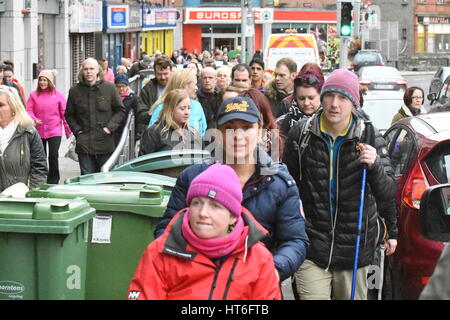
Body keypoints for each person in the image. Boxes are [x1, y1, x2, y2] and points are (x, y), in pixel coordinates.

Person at [153, 96, 310, 282]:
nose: (238, 136)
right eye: (229, 129)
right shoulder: (193, 177)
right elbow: (167, 229)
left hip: (255, 286)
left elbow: (295, 240)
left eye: (246, 127)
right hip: (196, 283)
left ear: (260, 131)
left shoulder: (280, 183)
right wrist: (186, 265)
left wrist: (272, 270)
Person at [283, 68, 397, 300]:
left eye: (343, 98)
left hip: (354, 251)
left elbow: (387, 194)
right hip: (312, 248)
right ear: (322, 97)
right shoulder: (301, 135)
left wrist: (374, 166)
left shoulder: (370, 138)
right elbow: (288, 185)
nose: (335, 104)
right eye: (329, 96)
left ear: (354, 103)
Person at [128, 163, 281, 300]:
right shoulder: (159, 252)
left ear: (233, 216)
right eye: (197, 203)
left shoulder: (259, 259)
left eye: (215, 205)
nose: (203, 213)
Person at [65, 58, 126, 175]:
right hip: (84, 145)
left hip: (105, 143)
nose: (89, 72)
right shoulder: (75, 91)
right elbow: (69, 114)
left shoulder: (109, 88)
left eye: (92, 69)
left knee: (105, 178)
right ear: (82, 71)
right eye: (86, 69)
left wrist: (109, 128)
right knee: (86, 179)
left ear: (98, 70)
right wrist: (77, 131)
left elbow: (120, 110)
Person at [26, 69, 72, 184]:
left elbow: (64, 113)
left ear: (50, 81)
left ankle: (53, 180)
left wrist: (68, 131)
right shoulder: (33, 95)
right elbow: (29, 110)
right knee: (40, 157)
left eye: (45, 80)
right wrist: (34, 119)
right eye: (41, 80)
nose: (42, 82)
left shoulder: (58, 95)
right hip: (38, 131)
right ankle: (41, 178)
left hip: (54, 131)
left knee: (53, 155)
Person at [0, 85, 47, 192]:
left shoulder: (28, 133)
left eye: (1, 105)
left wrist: (32, 196)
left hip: (18, 201)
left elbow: (39, 169)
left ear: (14, 108)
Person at [139, 89, 202, 156]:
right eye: (182, 109)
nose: (187, 112)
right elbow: (143, 163)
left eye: (189, 108)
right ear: (171, 110)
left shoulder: (193, 132)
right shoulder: (153, 132)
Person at [148, 68, 207, 137]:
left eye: (188, 108)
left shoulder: (197, 106)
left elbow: (202, 131)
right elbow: (151, 136)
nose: (196, 88)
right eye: (194, 84)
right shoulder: (162, 107)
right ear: (184, 85)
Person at [280, 67, 325, 139]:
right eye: (301, 98)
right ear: (295, 97)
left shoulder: (332, 121)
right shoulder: (280, 123)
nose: (306, 103)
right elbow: (273, 149)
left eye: (311, 98)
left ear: (321, 96)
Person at [137, 56, 173, 125]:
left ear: (171, 71)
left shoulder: (178, 87)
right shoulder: (147, 89)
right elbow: (141, 115)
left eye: (165, 74)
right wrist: (155, 115)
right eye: (159, 74)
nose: (163, 77)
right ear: (155, 73)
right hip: (155, 130)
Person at [114, 74, 147, 144]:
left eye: (123, 86)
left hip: (128, 130)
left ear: (127, 86)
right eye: (118, 86)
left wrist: (138, 132)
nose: (121, 89)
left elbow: (139, 114)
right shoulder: (113, 97)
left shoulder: (134, 98)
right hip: (115, 130)